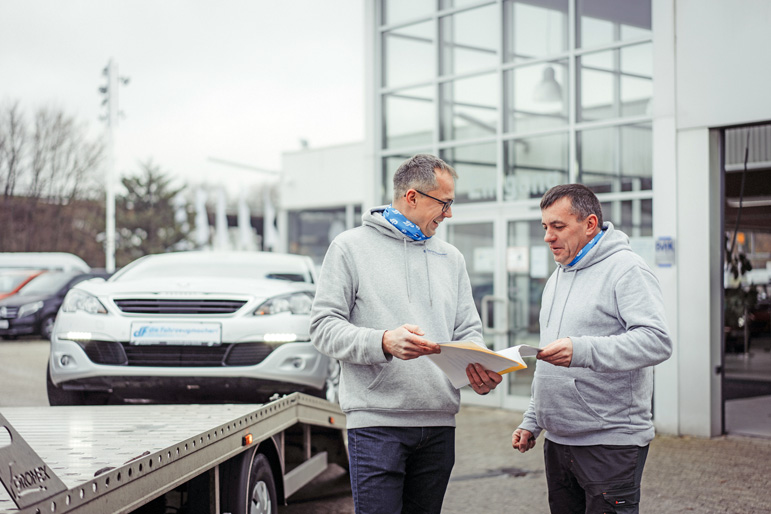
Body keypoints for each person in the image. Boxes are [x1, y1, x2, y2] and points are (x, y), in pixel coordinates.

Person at [310, 154, 501, 514]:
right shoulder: (349, 248)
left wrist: (480, 366)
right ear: (411, 197)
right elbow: (322, 328)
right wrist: (382, 341)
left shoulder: (452, 257)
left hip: (439, 424)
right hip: (377, 425)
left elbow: (468, 330)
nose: (449, 214)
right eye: (444, 203)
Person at [511, 183, 672, 513]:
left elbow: (657, 341)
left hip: (610, 443)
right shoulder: (558, 276)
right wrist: (533, 420)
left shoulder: (626, 269)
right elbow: (549, 360)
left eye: (558, 226)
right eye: (545, 227)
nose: (548, 237)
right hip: (558, 442)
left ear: (590, 224)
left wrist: (582, 351)